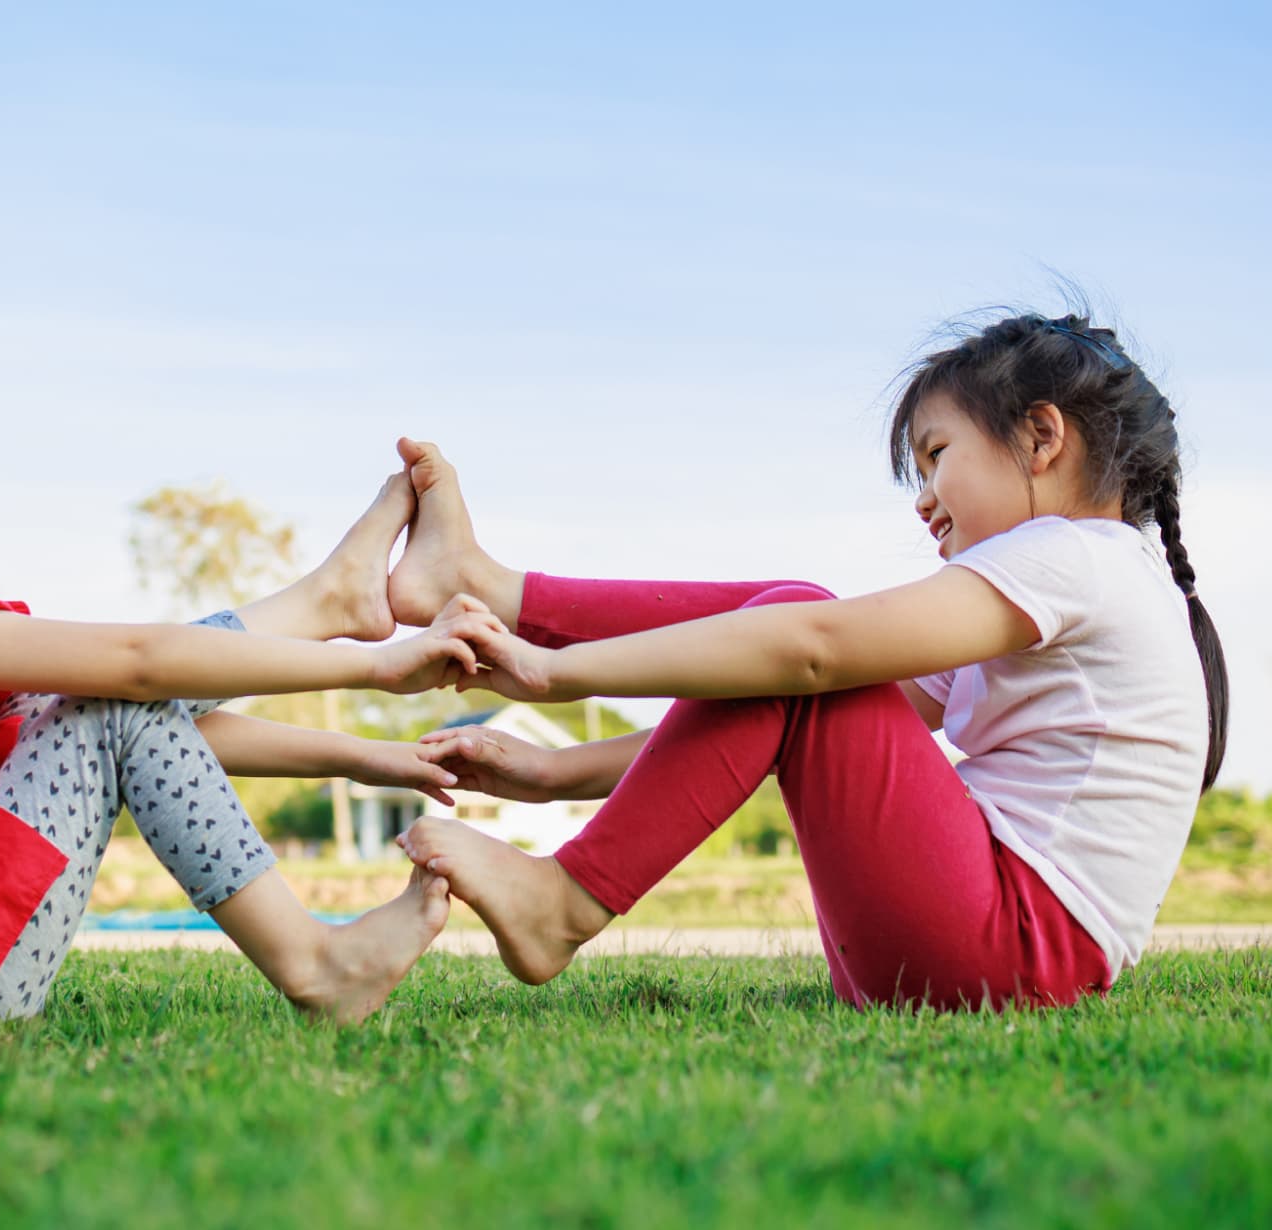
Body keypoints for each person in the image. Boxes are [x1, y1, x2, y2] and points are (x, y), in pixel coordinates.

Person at [390, 311, 1228, 1011]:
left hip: (1009, 947)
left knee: (798, 624)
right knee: (790, 626)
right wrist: (553, 772)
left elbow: (812, 654)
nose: (923, 497)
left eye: (937, 454)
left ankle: (566, 896)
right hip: (985, 949)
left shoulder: (1079, 558)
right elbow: (770, 713)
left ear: (1042, 437)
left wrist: (554, 675)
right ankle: (494, 590)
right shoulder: (1080, 579)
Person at [0, 334, 498, 1033]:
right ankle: (314, 960)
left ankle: (325, 601)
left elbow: (145, 716)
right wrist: (375, 665)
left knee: (97, 703)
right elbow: (136, 664)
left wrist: (363, 757)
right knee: (104, 692)